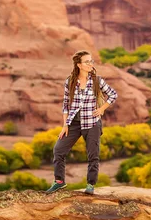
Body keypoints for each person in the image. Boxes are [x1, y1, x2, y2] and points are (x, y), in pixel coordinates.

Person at [46, 50, 117, 195]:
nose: (91, 64)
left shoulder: (97, 81)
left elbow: (113, 94)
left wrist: (102, 109)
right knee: (58, 150)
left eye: (91, 61)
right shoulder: (70, 81)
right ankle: (59, 182)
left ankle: (90, 185)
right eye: (87, 62)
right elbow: (66, 104)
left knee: (93, 155)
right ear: (79, 65)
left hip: (92, 123)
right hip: (74, 123)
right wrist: (65, 125)